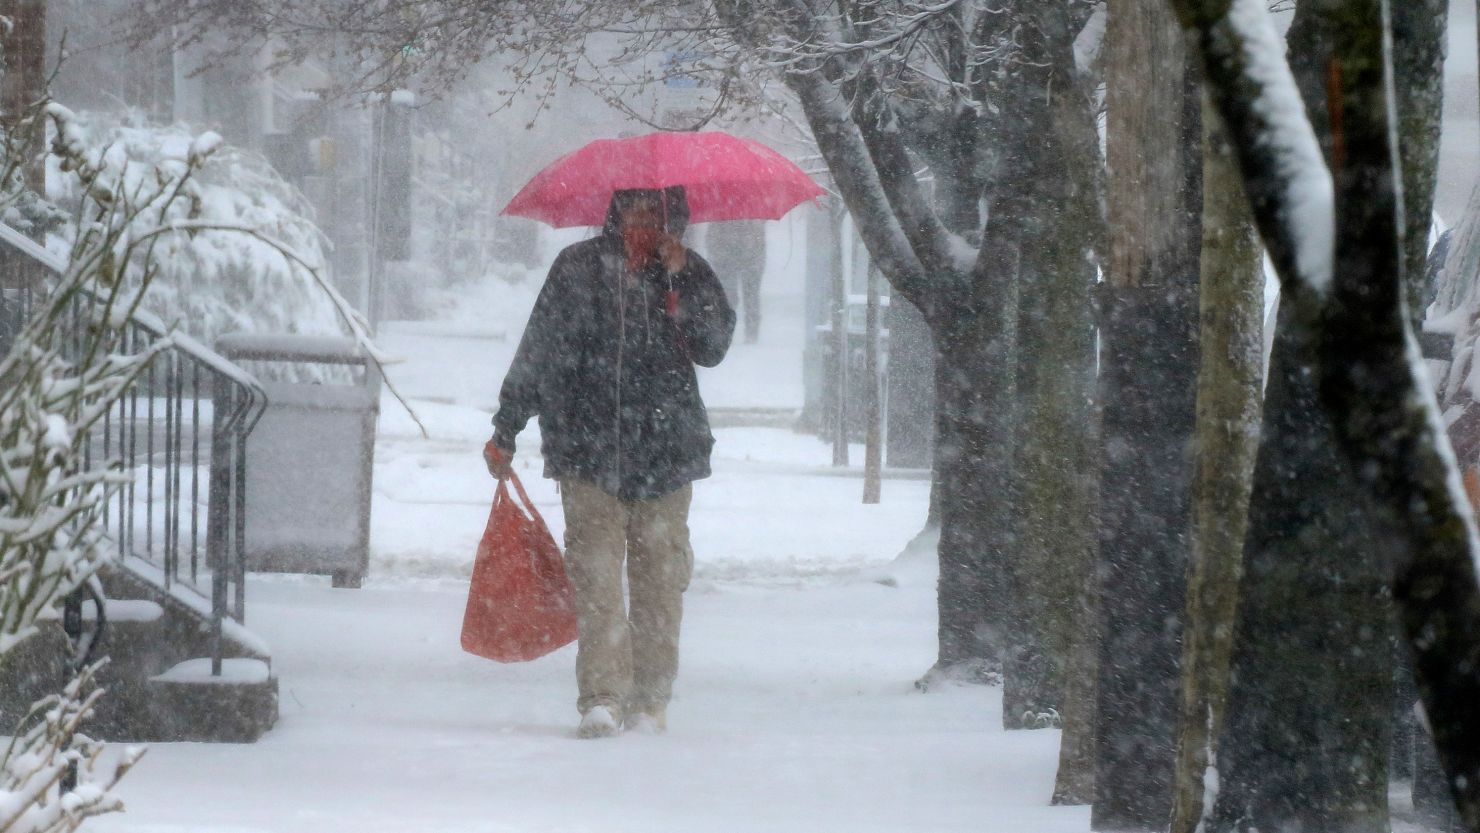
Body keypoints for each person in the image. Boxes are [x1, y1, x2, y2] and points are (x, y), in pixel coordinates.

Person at [484, 186, 736, 739]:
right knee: (596, 583)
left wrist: (681, 280)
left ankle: (650, 701)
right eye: (634, 210)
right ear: (615, 213)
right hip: (586, 451)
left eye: (656, 213)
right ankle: (602, 697)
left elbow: (713, 346)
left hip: (667, 457)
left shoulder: (689, 272)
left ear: (676, 220)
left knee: (658, 586)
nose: (642, 222)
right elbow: (539, 347)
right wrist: (507, 426)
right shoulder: (577, 268)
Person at [703, 219, 766, 343]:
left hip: (732, 257)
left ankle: (729, 331)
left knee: (732, 296)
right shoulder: (754, 213)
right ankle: (749, 333)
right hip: (746, 256)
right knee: (747, 296)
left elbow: (712, 238)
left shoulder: (721, 213)